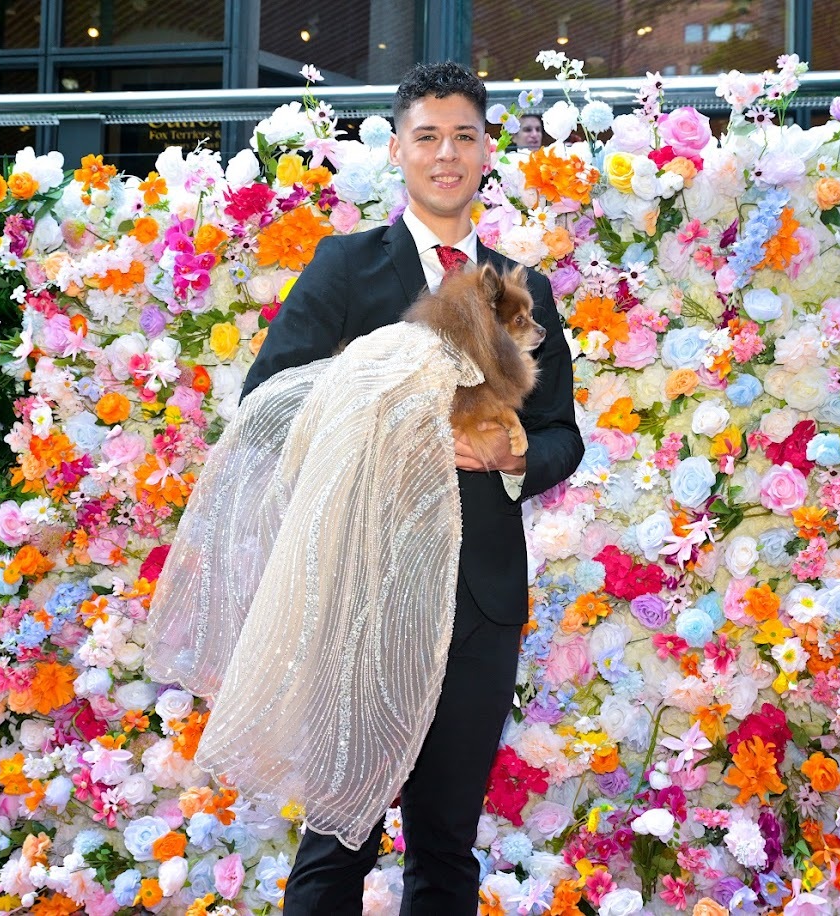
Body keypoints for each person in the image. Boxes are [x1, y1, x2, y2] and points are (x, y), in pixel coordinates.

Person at [240, 61, 583, 914]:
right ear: (397, 150)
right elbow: (268, 404)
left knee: (446, 845)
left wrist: (515, 460)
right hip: (364, 586)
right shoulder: (347, 267)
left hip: (481, 599)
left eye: (464, 136)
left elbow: (563, 434)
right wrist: (409, 431)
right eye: (427, 136)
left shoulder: (521, 287)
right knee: (338, 839)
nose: (446, 154)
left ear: (487, 153)